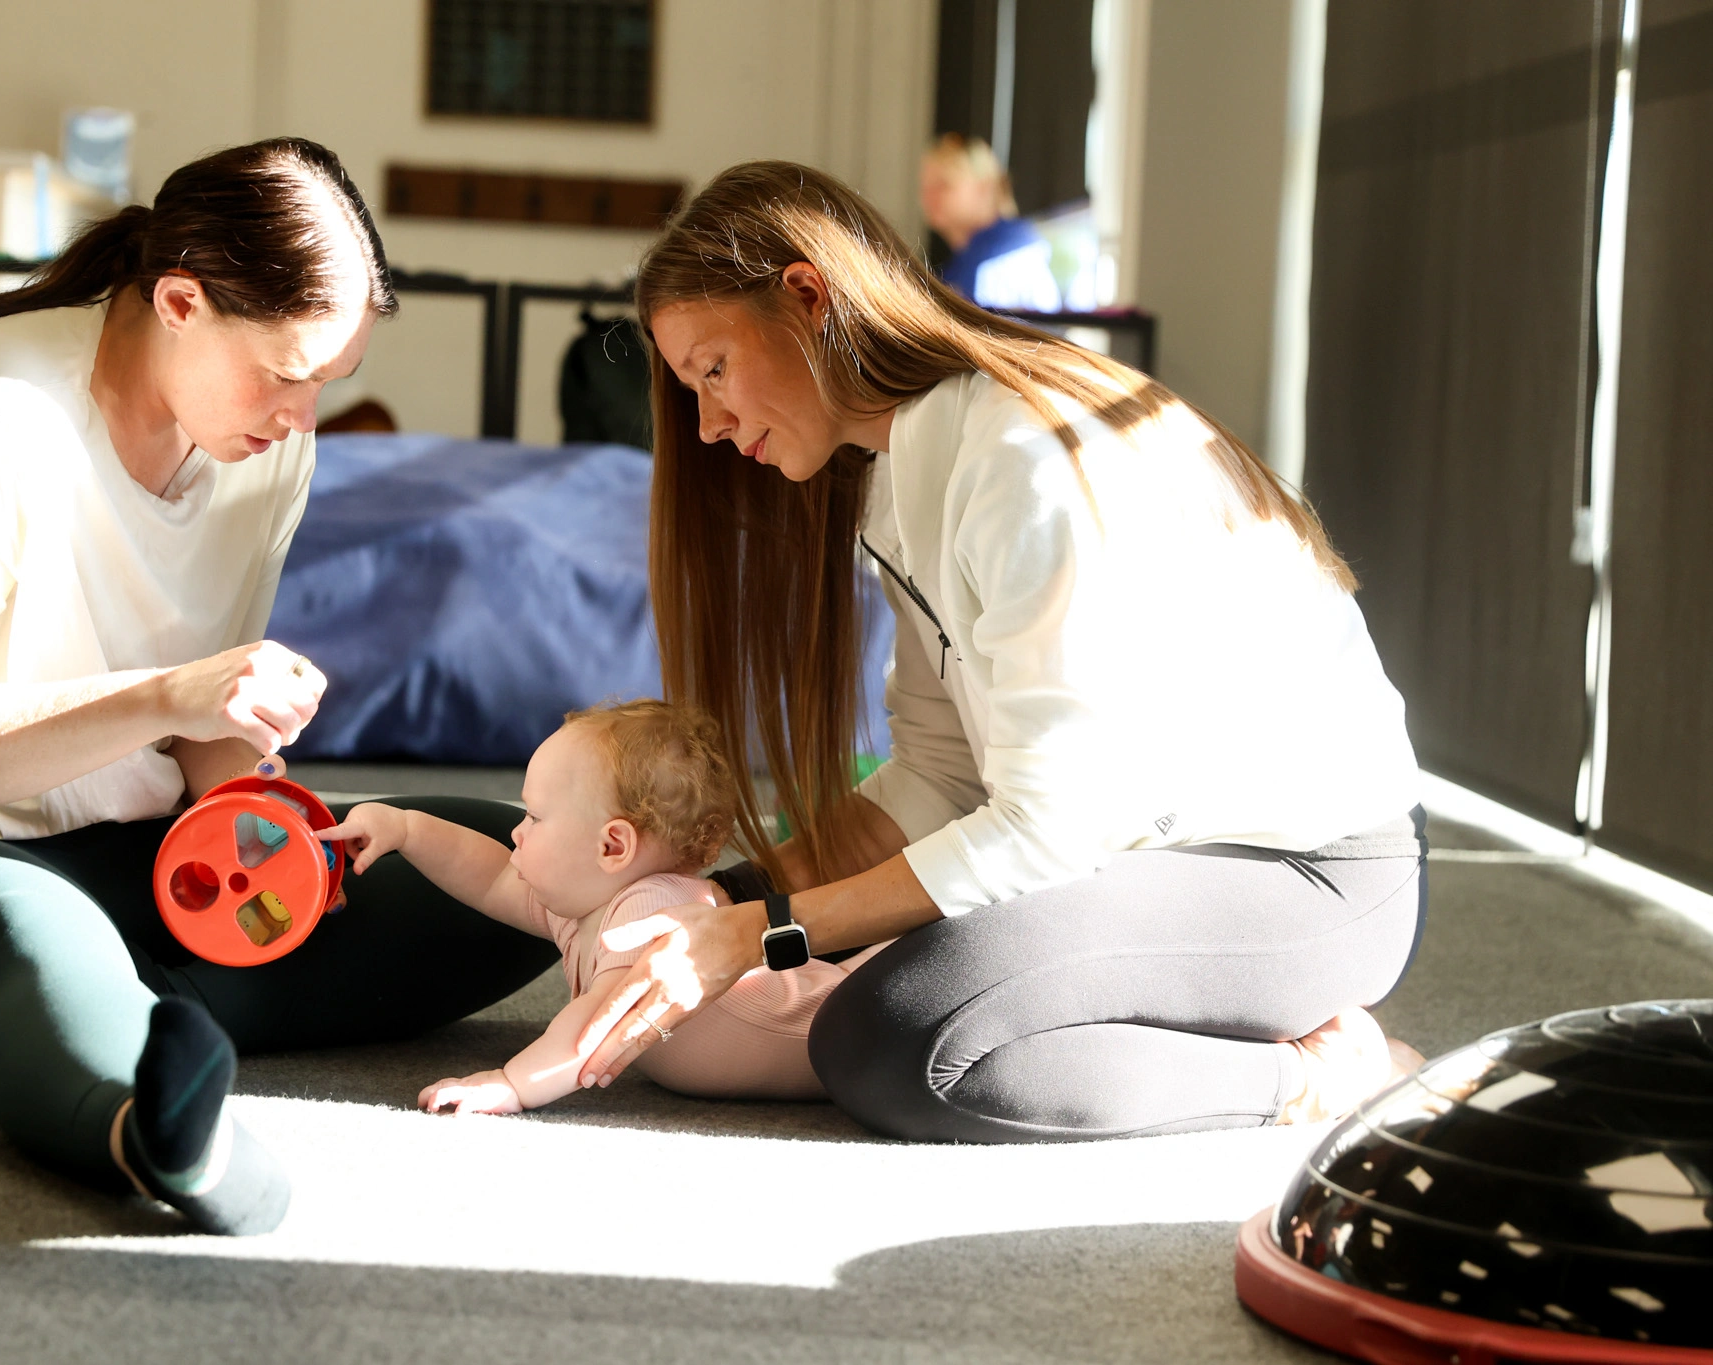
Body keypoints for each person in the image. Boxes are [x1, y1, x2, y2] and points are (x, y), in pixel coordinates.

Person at [0, 138, 558, 1234]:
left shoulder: (263, 447)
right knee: (30, 925)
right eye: (284, 372)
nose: (303, 415)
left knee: (497, 858)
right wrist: (172, 695)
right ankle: (153, 1122)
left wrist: (246, 788)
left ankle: (99, 1012)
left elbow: (198, 744)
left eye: (327, 380)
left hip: (121, 860)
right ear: (180, 300)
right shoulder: (0, 417)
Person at [570, 161, 1428, 1143]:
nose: (709, 426)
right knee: (882, 1014)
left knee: (898, 1043)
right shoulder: (900, 479)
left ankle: (1322, 1081)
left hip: (1307, 879)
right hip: (1144, 859)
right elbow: (938, 776)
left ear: (807, 297)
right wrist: (709, 899)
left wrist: (756, 934)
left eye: (711, 370)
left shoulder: (1019, 465)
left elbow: (1044, 830)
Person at [320, 700, 880, 1114]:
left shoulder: (649, 910)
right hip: (835, 1014)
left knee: (887, 979)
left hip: (854, 1023)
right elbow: (491, 877)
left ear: (612, 846)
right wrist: (407, 829)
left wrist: (512, 1084)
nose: (516, 832)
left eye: (534, 818)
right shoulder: (585, 906)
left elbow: (590, 1024)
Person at [919, 133, 1063, 312]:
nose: (929, 197)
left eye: (944, 184)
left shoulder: (1005, 257)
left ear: (984, 189)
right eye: (925, 187)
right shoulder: (963, 262)